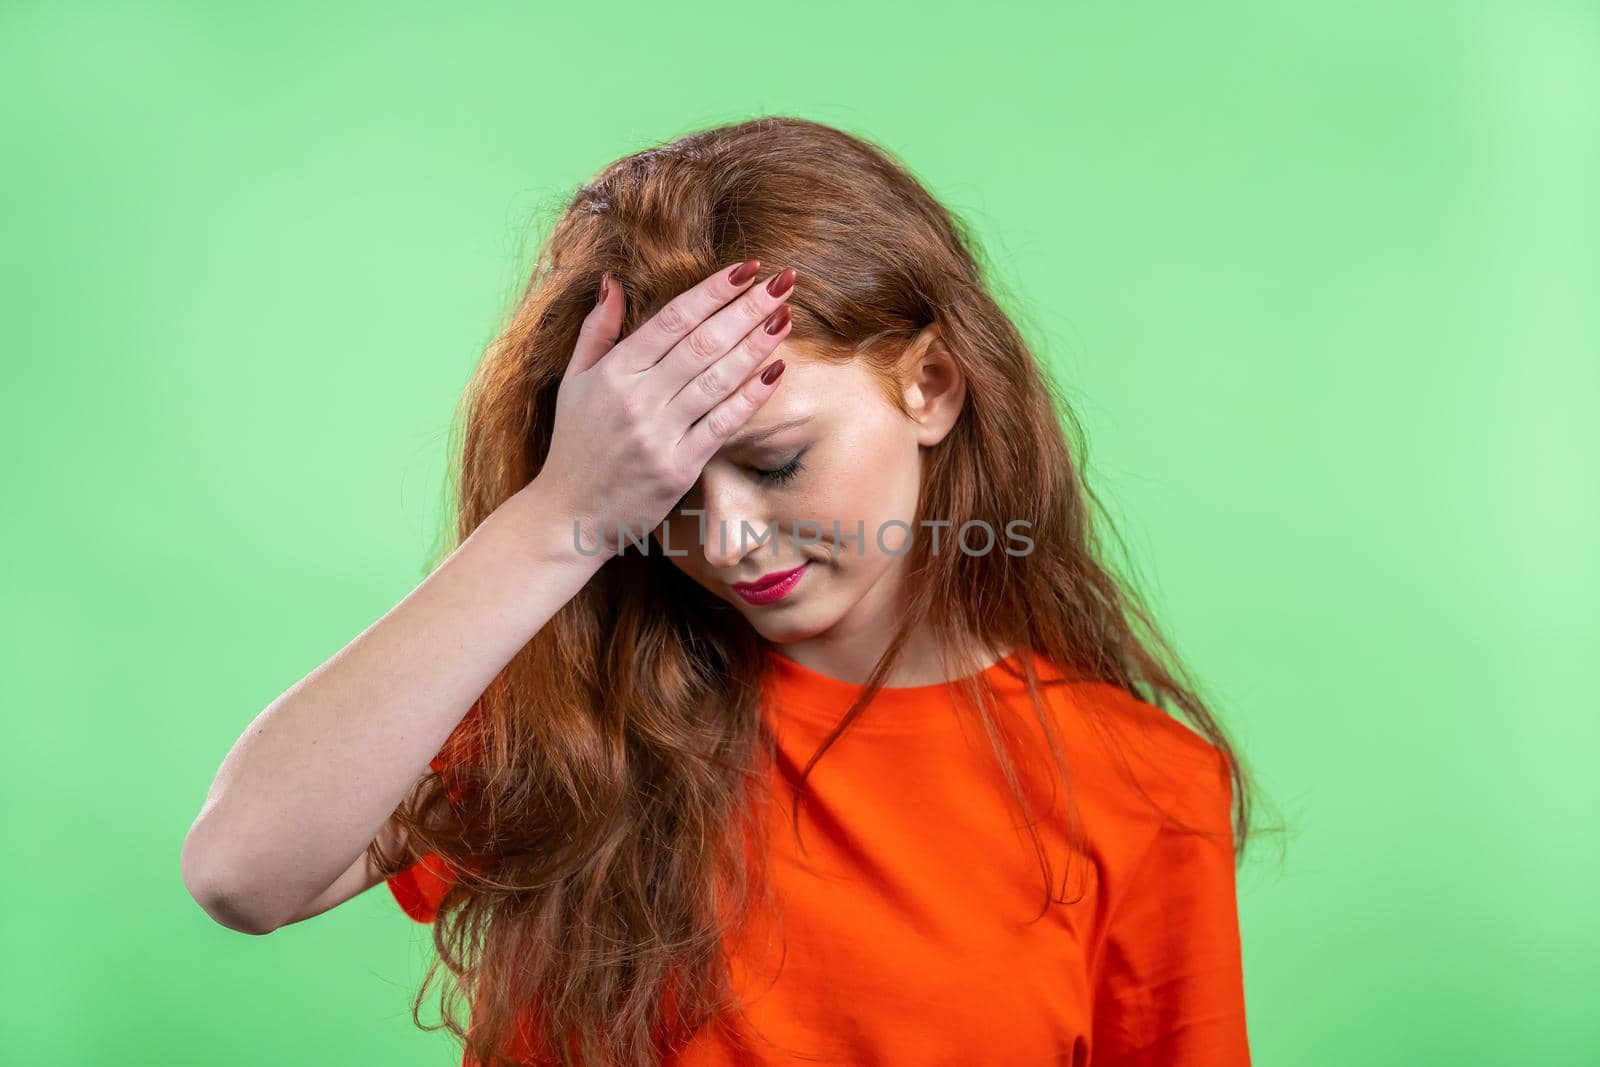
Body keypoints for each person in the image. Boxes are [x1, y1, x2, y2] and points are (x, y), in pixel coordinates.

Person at [182, 115, 1257, 1067]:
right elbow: (243, 871)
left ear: (930, 386)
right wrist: (566, 511)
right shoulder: (574, 704)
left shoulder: (1143, 789)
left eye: (778, 460)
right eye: (660, 487)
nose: (728, 537)